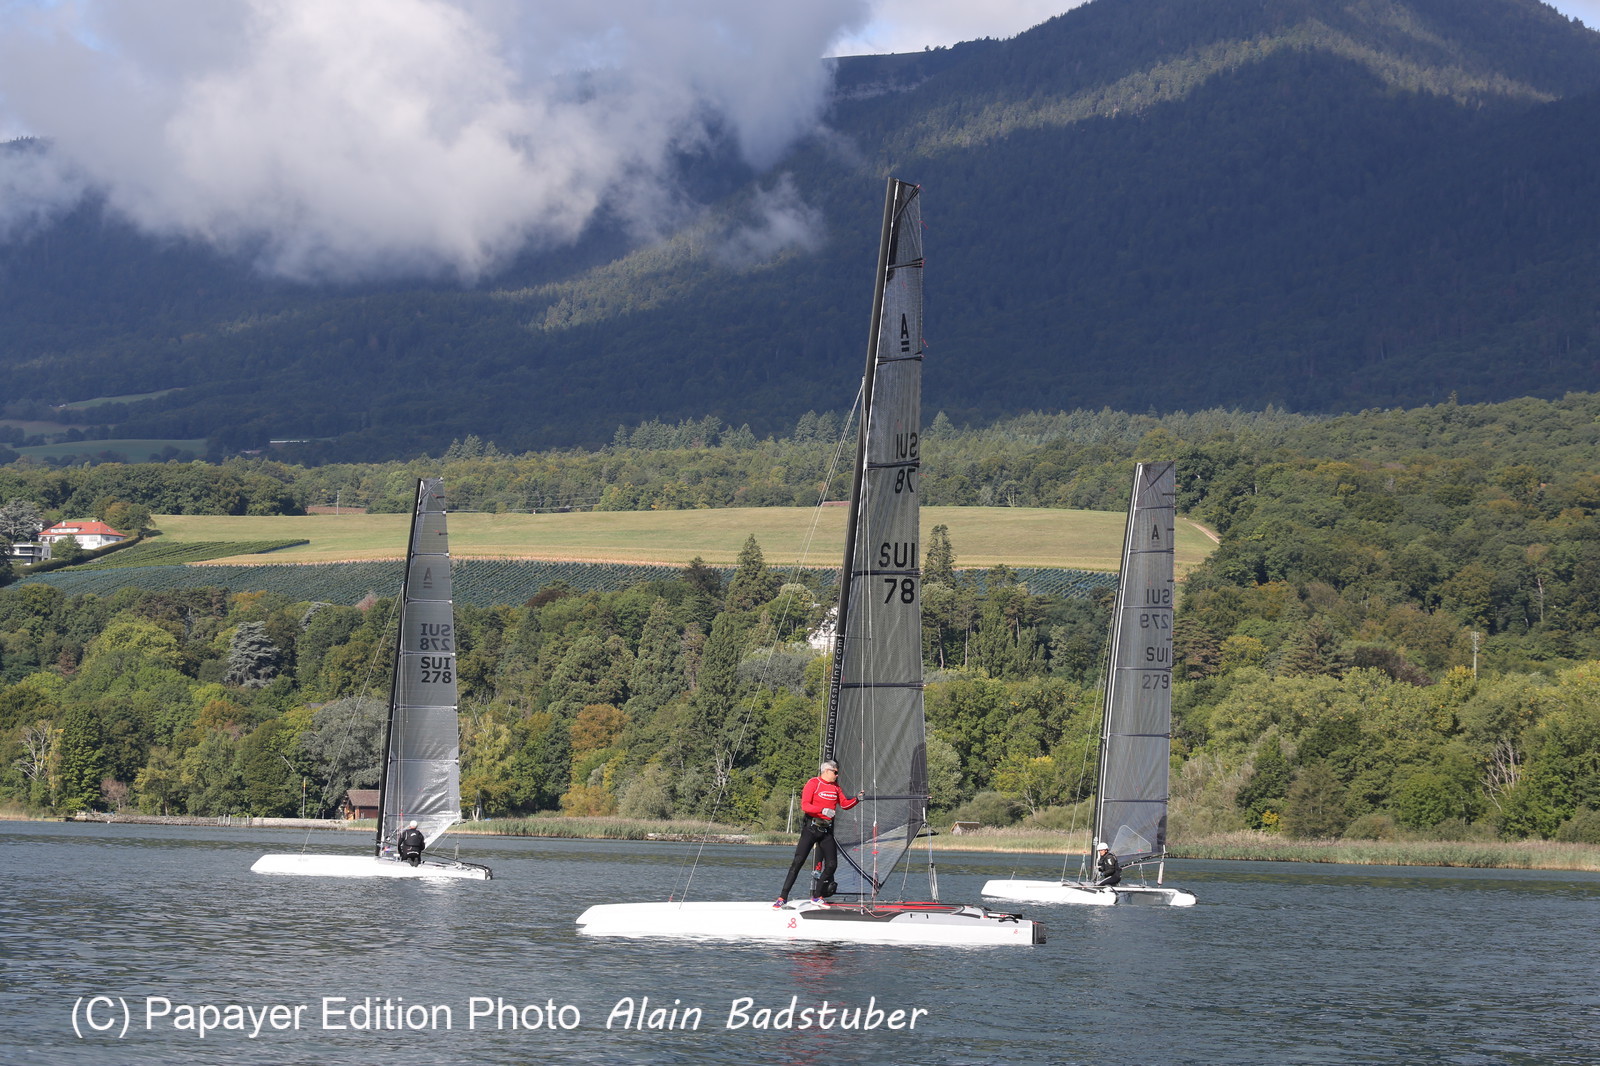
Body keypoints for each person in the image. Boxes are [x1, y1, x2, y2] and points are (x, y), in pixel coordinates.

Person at [775, 761, 861, 906]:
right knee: (798, 862)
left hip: (826, 831)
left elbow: (845, 804)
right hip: (811, 829)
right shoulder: (814, 783)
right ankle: (782, 897)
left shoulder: (836, 788)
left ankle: (817, 895)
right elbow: (805, 805)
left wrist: (857, 799)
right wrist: (822, 811)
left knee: (832, 865)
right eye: (835, 772)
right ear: (826, 771)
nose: (837, 775)